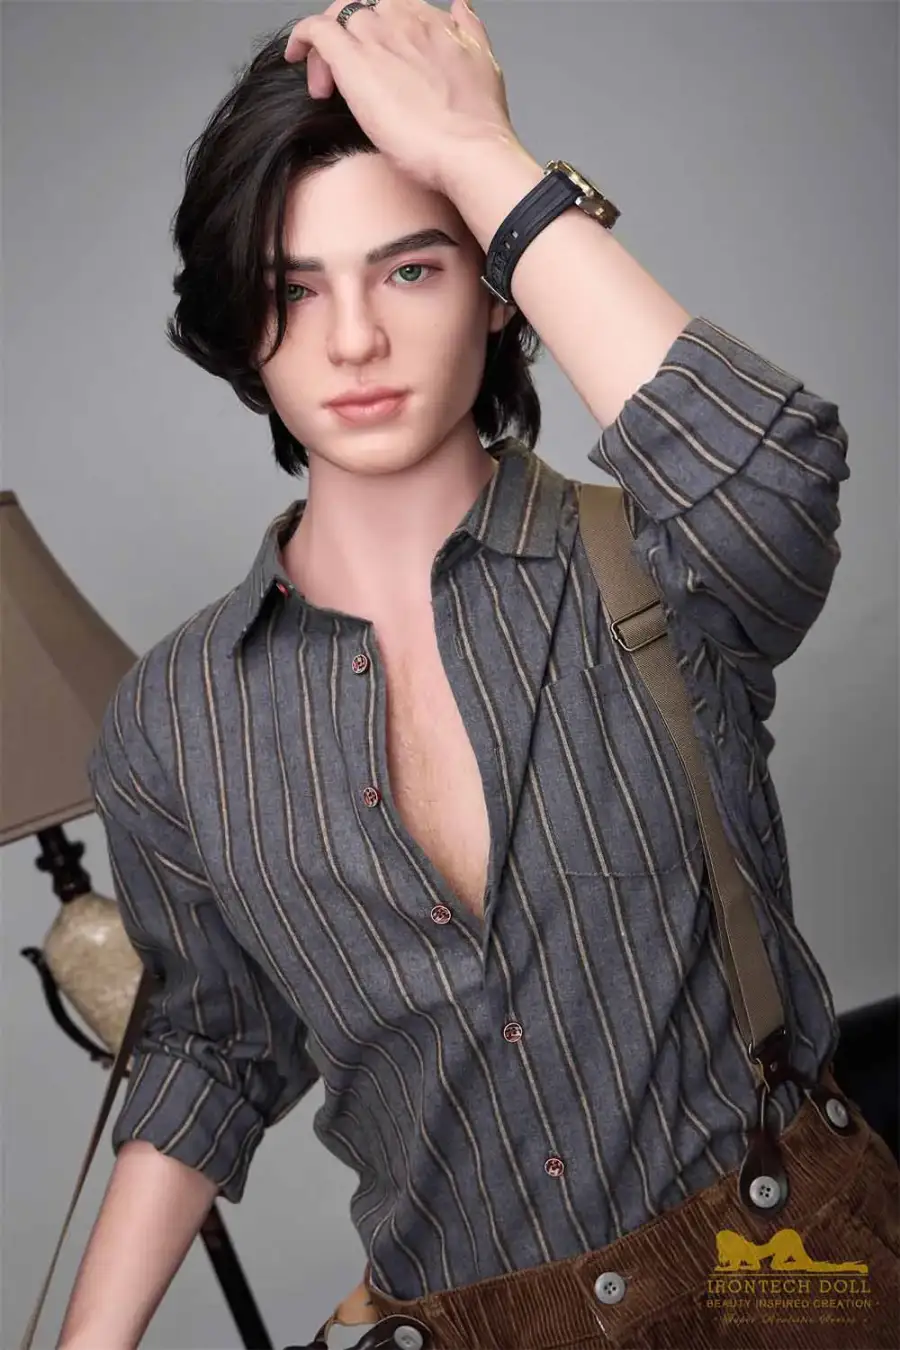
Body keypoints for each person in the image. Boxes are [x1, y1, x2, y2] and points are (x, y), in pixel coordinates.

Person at [56, 2, 864, 1348]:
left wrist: (484, 159)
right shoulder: (174, 722)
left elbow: (770, 476)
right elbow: (213, 1046)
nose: (353, 340)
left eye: (412, 270)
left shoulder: (659, 564)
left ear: (497, 287)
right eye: (295, 288)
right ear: (244, 324)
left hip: (785, 1277)